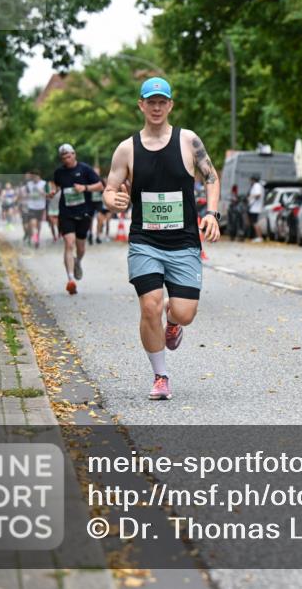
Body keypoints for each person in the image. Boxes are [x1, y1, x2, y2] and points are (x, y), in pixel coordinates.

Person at [104, 77, 221, 401]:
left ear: (170, 105)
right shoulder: (127, 148)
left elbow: (211, 177)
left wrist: (212, 214)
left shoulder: (188, 141)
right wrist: (110, 199)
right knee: (149, 306)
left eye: (162, 102)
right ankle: (160, 376)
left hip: (183, 242)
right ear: (141, 105)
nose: (156, 107)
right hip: (145, 242)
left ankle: (174, 321)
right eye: (150, 102)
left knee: (184, 313)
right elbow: (110, 187)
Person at [49, 144, 103, 294]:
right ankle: (70, 280)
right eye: (64, 157)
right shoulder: (59, 172)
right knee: (69, 243)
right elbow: (57, 186)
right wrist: (53, 192)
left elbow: (100, 185)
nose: (67, 159)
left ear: (74, 154)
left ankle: (78, 261)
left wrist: (85, 188)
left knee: (80, 247)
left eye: (69, 156)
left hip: (84, 212)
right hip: (66, 213)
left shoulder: (84, 169)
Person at [22, 169, 48, 248]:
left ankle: (37, 237)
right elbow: (25, 194)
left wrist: (41, 192)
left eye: (35, 177)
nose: (33, 178)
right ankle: (35, 240)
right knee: (33, 224)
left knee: (38, 225)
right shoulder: (29, 184)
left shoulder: (44, 183)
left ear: (39, 176)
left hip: (41, 207)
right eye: (32, 177)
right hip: (31, 207)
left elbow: (47, 195)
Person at [247, 175, 264, 242]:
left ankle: (259, 237)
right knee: (254, 223)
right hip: (254, 208)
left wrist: (251, 197)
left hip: (255, 208)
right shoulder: (257, 185)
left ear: (253, 180)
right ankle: (257, 236)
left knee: (255, 223)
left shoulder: (257, 185)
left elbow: (258, 194)